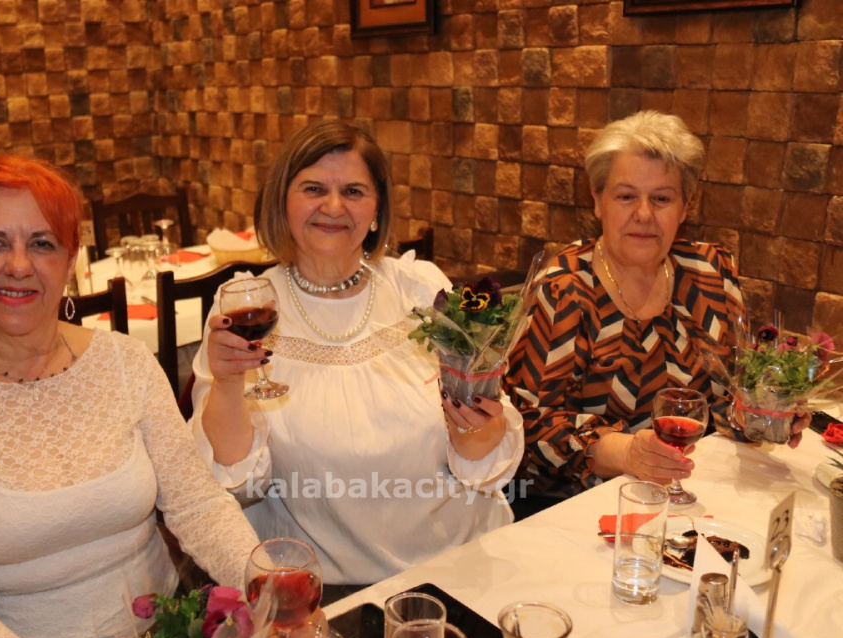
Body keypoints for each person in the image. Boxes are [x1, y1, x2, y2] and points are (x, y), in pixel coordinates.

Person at [0, 156, 261, 638]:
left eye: (42, 243)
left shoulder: (126, 361)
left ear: (70, 261)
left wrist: (269, 590)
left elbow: (197, 506)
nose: (19, 265)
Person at [189, 120, 525, 592]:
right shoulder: (248, 305)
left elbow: (481, 461)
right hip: (324, 590)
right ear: (281, 200)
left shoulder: (420, 289)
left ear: (376, 209)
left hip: (456, 567)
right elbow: (236, 484)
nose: (333, 206)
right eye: (313, 189)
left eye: (352, 191)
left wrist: (477, 426)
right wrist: (227, 383)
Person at [503, 110, 808, 510]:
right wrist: (627, 452)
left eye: (662, 198)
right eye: (626, 196)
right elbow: (530, 425)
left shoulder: (711, 272)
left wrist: (763, 413)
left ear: (685, 206)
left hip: (692, 491)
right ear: (598, 201)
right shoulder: (564, 288)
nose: (644, 214)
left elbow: (728, 396)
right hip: (579, 505)